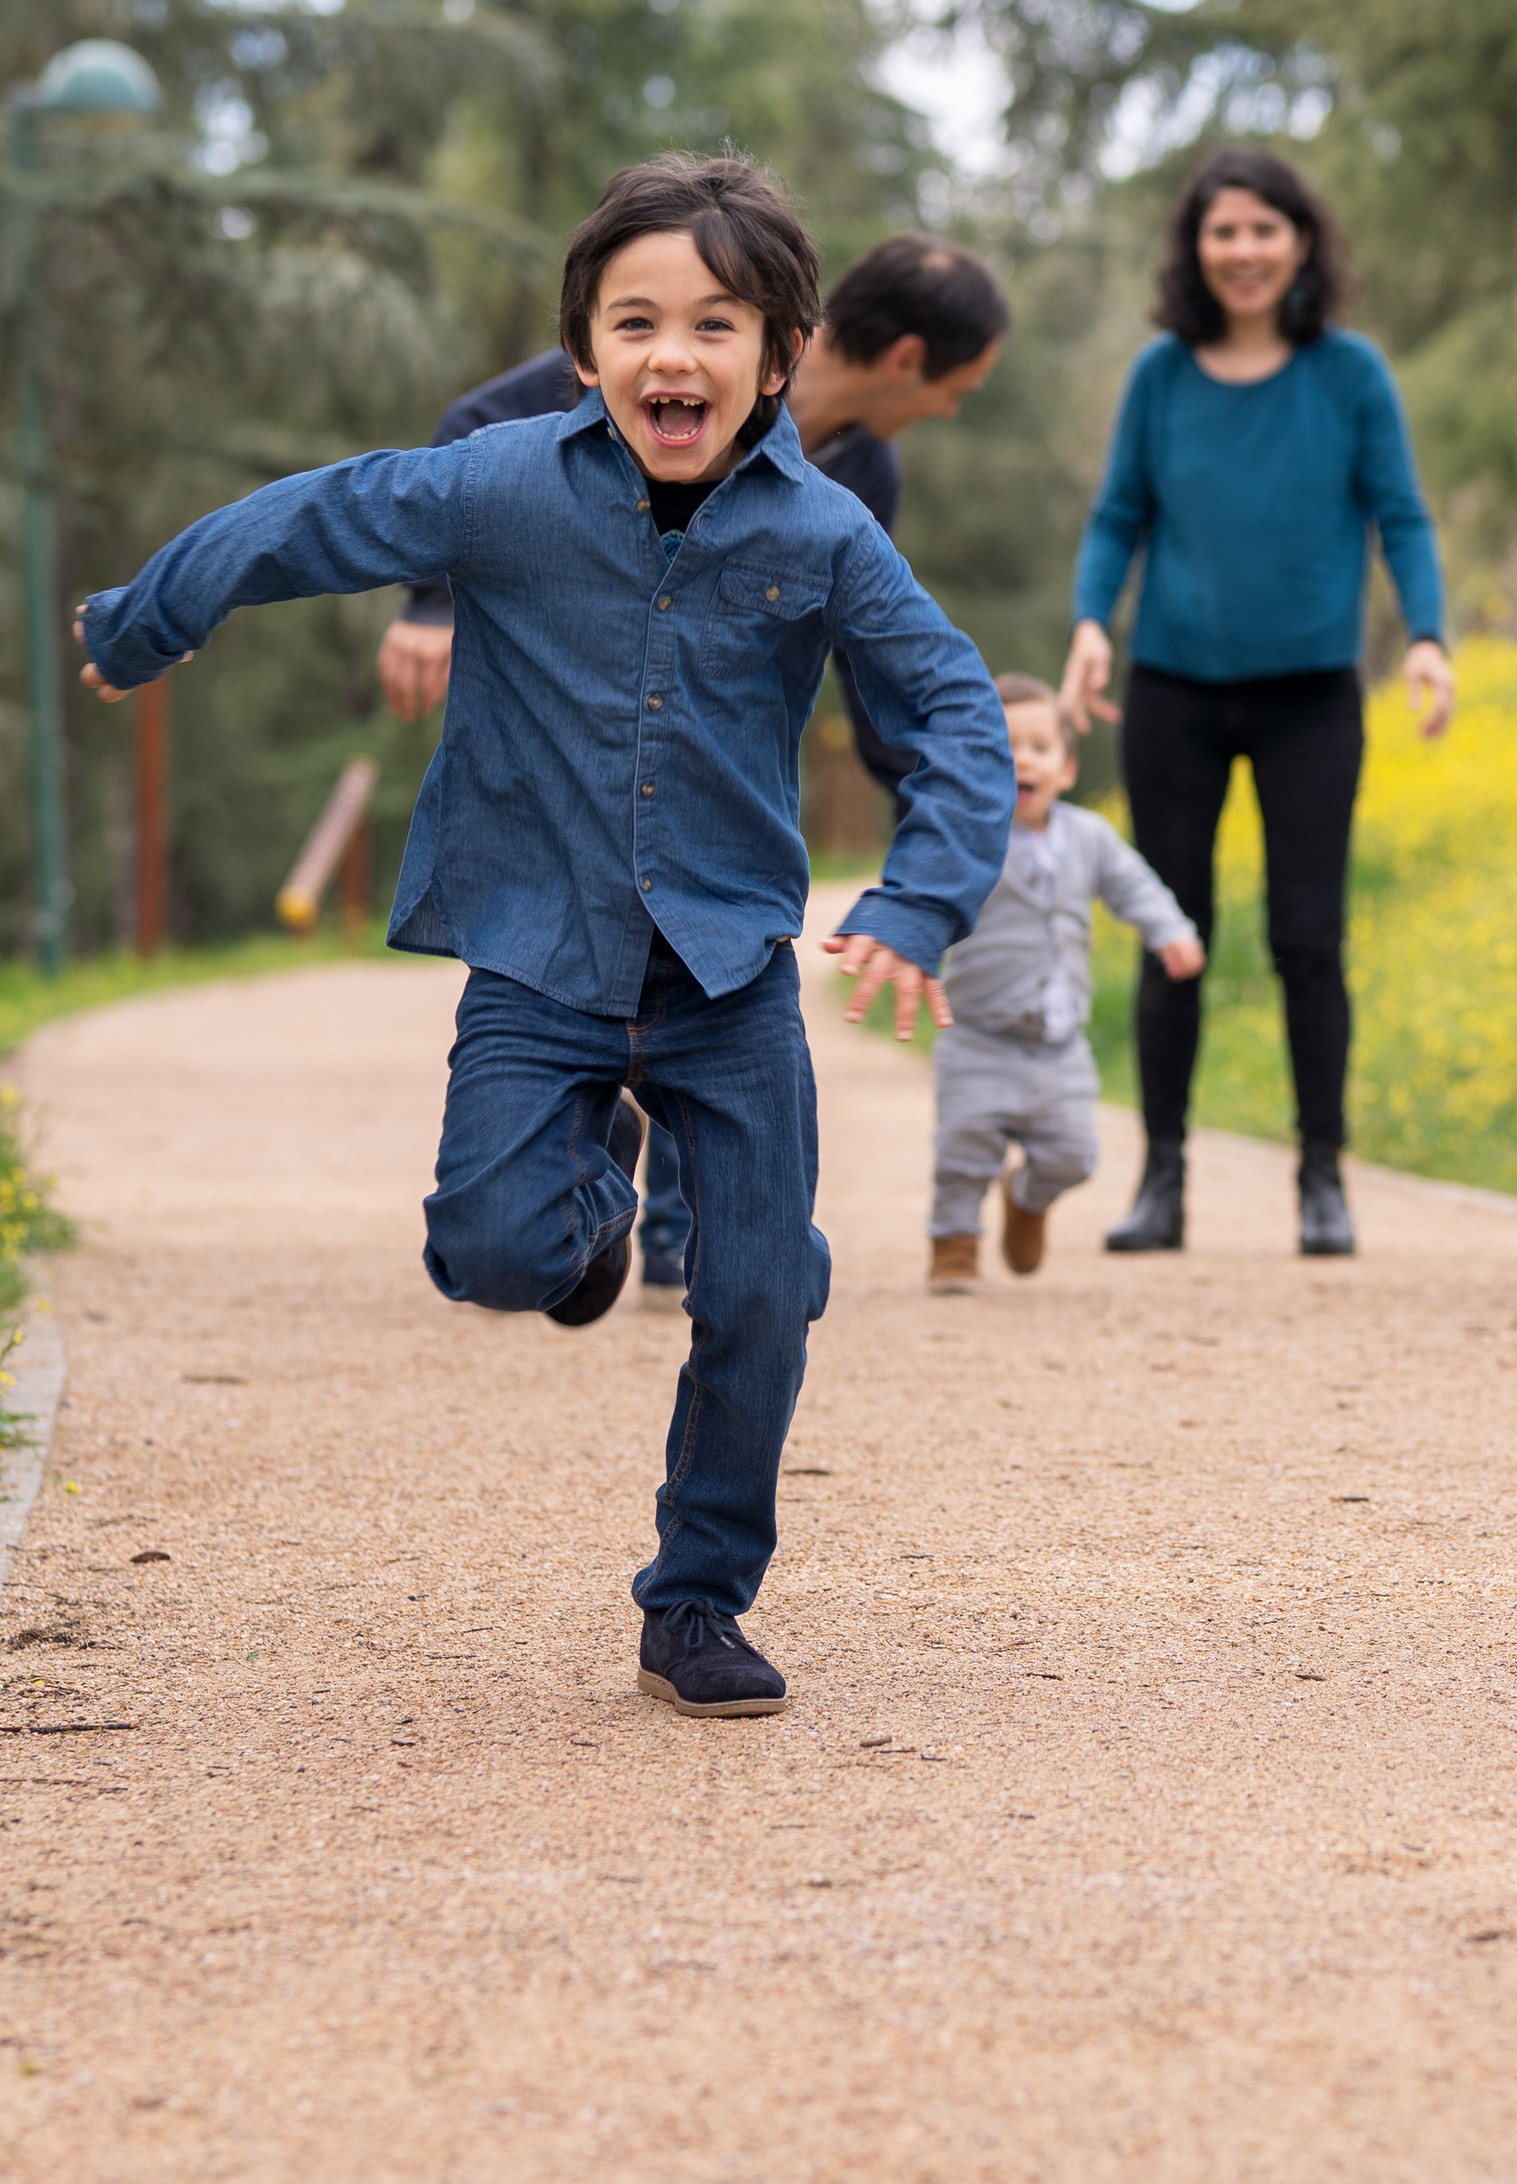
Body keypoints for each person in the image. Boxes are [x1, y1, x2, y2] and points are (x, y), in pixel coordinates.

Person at [76, 154, 1014, 1725]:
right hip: (541, 955)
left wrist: (920, 894)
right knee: (490, 1249)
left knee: (763, 1288)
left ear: (779, 355)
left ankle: (697, 1597)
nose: (673, 354)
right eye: (633, 320)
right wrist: (149, 614)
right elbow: (310, 518)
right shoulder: (499, 485)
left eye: (715, 324)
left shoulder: (832, 531)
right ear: (582, 348)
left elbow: (954, 711)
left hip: (724, 979)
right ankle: (589, 1219)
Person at [377, 234, 1011, 1294]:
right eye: (957, 388)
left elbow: (881, 680)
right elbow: (476, 435)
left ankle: (684, 1230)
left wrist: (934, 841)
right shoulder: (683, 359)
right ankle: (599, 1183)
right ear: (906, 357)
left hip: (722, 753)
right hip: (573, 723)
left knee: (715, 949)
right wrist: (433, 601)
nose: (950, 411)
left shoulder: (858, 473)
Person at [1061, 145, 1454, 1263]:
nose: (1243, 250)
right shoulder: (1161, 375)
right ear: (1196, 248)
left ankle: (1322, 1176)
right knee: (1170, 933)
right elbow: (1116, 516)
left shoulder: (1349, 373)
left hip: (1310, 699)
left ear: (1300, 242)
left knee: (1306, 937)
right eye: (1222, 231)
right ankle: (1162, 1178)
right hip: (1175, 689)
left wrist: (1426, 635)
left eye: (1263, 229)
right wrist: (1094, 619)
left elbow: (1402, 515)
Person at [926, 672, 1204, 1290]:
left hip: (1060, 1043)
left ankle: (1027, 1199)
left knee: (1076, 1152)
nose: (1023, 759)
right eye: (1004, 747)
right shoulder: (966, 838)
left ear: (1067, 768)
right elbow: (922, 896)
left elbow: (1135, 886)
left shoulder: (1090, 837)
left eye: (1039, 748)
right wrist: (907, 944)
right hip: (978, 1038)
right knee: (963, 1151)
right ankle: (954, 1243)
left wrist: (1171, 931)